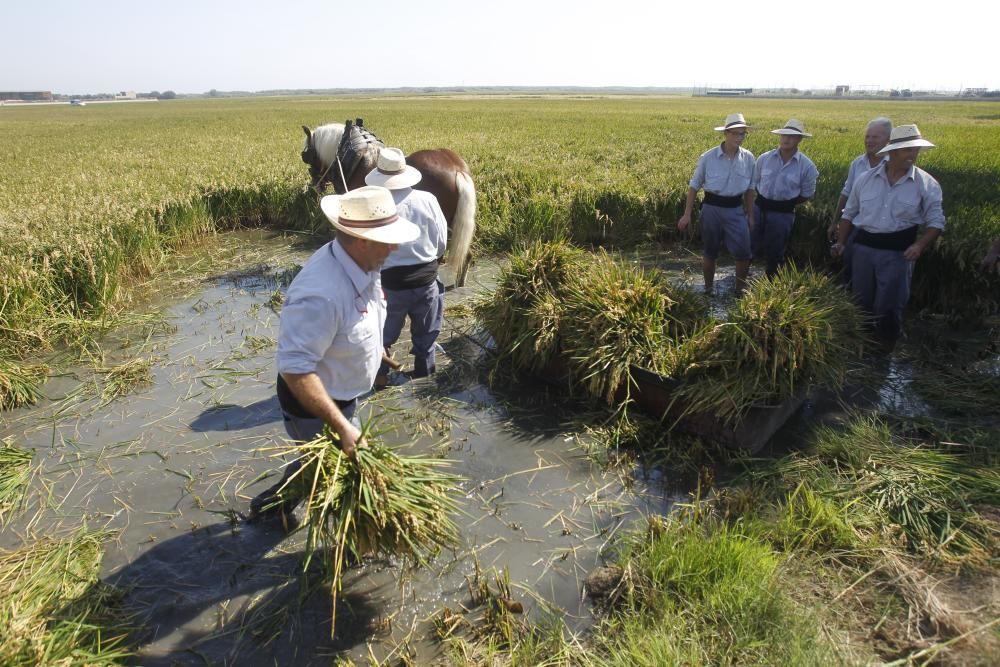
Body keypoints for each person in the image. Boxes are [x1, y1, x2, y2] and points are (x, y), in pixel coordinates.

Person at [249, 185, 419, 520]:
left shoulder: (367, 264)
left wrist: (373, 351)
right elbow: (295, 370)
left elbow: (361, 317)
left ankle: (273, 506)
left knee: (317, 465)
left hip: (344, 393)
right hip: (312, 408)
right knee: (328, 473)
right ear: (361, 240)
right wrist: (342, 426)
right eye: (389, 239)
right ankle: (271, 510)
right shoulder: (320, 294)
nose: (396, 246)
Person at [831, 124, 945, 351]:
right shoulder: (865, 179)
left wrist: (919, 246)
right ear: (892, 152)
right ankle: (860, 344)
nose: (912, 155)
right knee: (860, 300)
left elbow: (936, 222)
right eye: (907, 150)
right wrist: (841, 242)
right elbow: (849, 213)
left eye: (915, 150)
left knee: (889, 305)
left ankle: (884, 351)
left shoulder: (926, 184)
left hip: (898, 254)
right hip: (863, 249)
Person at [364, 147, 448, 386]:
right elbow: (441, 242)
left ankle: (379, 380)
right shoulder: (428, 200)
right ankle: (424, 380)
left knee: (381, 337)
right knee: (426, 336)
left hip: (389, 287)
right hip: (426, 282)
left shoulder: (373, 206)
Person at [677, 113, 756, 295]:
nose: (739, 138)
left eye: (742, 134)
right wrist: (687, 214)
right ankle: (708, 288)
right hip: (711, 208)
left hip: (736, 209)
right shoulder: (708, 157)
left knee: (744, 252)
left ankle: (739, 290)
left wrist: (750, 216)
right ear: (726, 133)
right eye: (735, 133)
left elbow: (750, 190)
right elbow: (694, 185)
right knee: (710, 251)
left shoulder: (749, 159)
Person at [827, 117, 893, 284]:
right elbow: (846, 194)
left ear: (889, 140)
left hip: (883, 233)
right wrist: (835, 222)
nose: (870, 141)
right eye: (867, 136)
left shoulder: (894, 166)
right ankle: (853, 304)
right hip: (855, 226)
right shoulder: (858, 163)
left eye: (875, 137)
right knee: (850, 266)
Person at [751, 119, 819, 277]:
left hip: (783, 214)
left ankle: (770, 284)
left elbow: (807, 194)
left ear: (799, 139)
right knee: (749, 244)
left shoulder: (807, 166)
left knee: (775, 251)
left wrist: (785, 204)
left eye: (792, 136)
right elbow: (754, 182)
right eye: (784, 135)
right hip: (758, 208)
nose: (786, 139)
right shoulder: (764, 158)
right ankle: (740, 280)